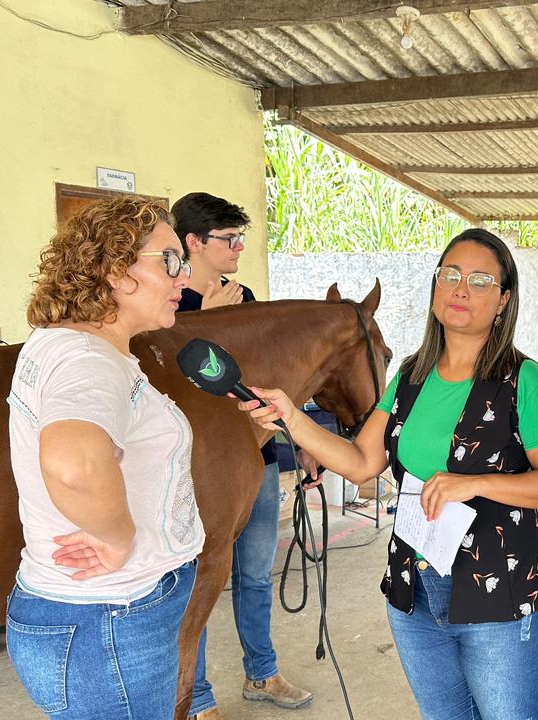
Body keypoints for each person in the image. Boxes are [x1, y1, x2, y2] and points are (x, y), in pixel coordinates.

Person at [239, 228, 538, 719]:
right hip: (414, 589)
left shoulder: (524, 381)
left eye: (481, 280)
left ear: (503, 300)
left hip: (500, 594)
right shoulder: (410, 376)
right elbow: (362, 460)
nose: (461, 289)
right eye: (451, 275)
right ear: (435, 286)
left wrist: (476, 483)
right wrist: (291, 418)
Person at [5, 197, 204, 720]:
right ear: (115, 270)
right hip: (109, 618)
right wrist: (118, 539)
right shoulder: (88, 359)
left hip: (97, 617)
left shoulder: (68, 344)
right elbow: (75, 462)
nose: (184, 277)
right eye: (170, 260)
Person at [170, 192, 314, 719]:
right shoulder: (168, 302)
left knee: (254, 574)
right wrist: (202, 323)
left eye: (241, 239)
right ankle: (198, 695)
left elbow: (259, 380)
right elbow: (166, 380)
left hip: (257, 457)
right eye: (229, 240)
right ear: (194, 243)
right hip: (198, 469)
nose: (238, 249)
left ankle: (262, 672)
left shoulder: (246, 294)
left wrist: (299, 441)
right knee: (201, 577)